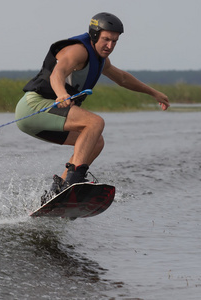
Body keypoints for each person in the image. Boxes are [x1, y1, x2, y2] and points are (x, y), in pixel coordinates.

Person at [15, 12, 170, 204]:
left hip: (46, 118)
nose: (110, 46)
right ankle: (72, 182)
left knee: (96, 141)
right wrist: (61, 93)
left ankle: (57, 192)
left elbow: (121, 78)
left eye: (115, 41)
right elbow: (58, 73)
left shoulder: (101, 59)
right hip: (33, 107)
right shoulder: (78, 51)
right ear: (94, 35)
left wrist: (153, 93)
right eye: (106, 39)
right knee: (95, 122)